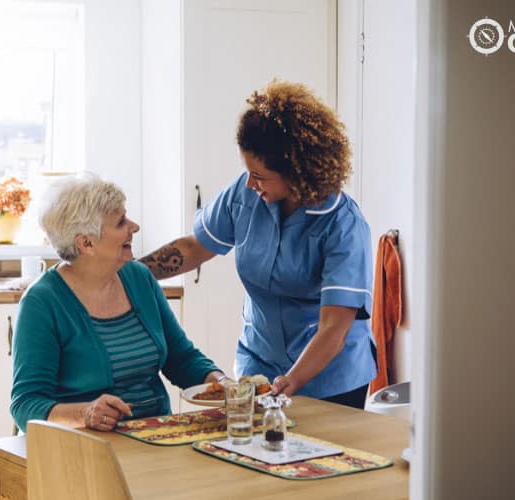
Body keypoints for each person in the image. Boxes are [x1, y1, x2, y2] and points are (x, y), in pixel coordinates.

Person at [140, 80, 375, 409]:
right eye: (247, 171)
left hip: (330, 378)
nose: (250, 182)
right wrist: (131, 272)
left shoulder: (343, 225)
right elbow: (195, 247)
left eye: (260, 175)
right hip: (259, 365)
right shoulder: (245, 193)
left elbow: (334, 328)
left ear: (296, 172)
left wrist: (291, 381)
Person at [10, 174, 224, 432]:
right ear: (86, 243)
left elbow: (181, 359)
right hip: (82, 447)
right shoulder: (42, 302)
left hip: (154, 436)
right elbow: (26, 404)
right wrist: (86, 413)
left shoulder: (139, 277)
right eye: (121, 222)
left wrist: (220, 382)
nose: (134, 227)